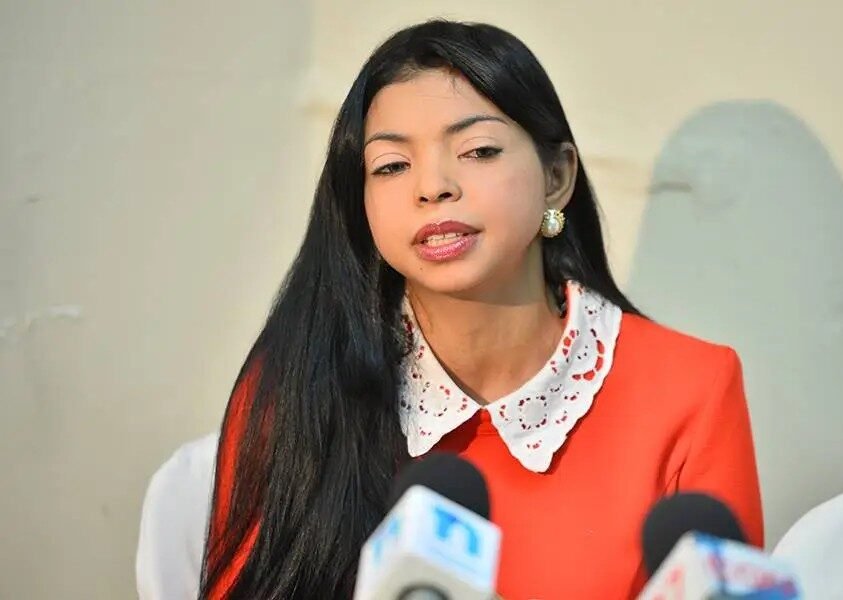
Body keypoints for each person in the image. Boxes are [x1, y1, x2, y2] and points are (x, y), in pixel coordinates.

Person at [202, 20, 763, 600]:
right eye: (392, 165)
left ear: (556, 177)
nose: (433, 187)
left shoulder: (692, 388)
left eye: (478, 151)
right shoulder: (296, 387)